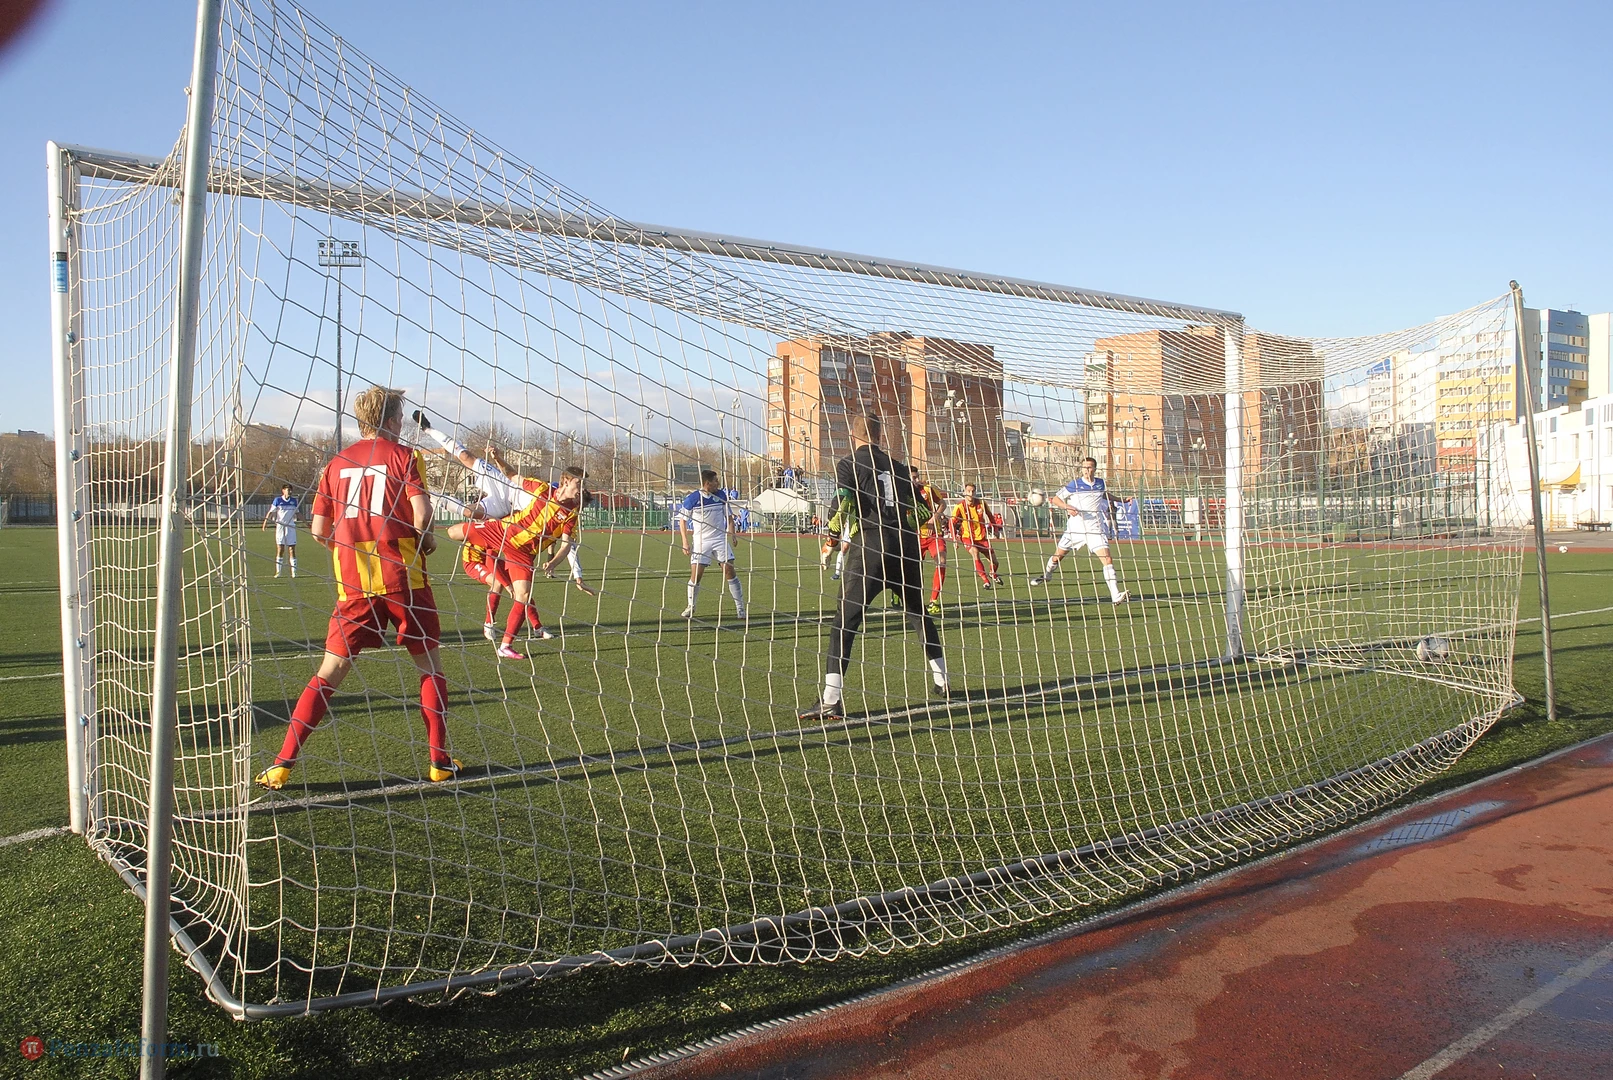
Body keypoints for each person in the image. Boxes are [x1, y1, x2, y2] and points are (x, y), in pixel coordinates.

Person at [254, 386, 459, 790]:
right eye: (399, 419)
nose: (401, 425)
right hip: (404, 580)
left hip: (353, 585)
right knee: (430, 668)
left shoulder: (335, 463)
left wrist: (350, 550)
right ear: (391, 420)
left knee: (329, 672)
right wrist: (426, 541)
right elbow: (422, 513)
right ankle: (439, 762)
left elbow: (318, 530)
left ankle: (281, 765)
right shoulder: (405, 456)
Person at [800, 414, 948, 720]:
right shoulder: (900, 467)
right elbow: (922, 510)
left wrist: (831, 540)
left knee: (844, 622)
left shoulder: (849, 464)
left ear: (853, 435)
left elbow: (842, 504)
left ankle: (830, 699)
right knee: (917, 613)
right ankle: (942, 679)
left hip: (871, 546)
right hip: (906, 547)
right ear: (880, 436)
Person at [447, 465, 588, 659]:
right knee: (453, 532)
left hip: (523, 553)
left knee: (523, 595)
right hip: (504, 532)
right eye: (578, 483)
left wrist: (553, 563)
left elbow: (566, 545)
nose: (581, 489)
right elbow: (513, 476)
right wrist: (498, 459)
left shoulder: (571, 513)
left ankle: (506, 646)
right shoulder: (542, 489)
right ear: (565, 481)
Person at [1030, 456, 1131, 603]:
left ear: (1095, 469)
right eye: (1084, 467)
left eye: (1089, 467)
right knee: (1057, 557)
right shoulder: (1075, 484)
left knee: (1107, 559)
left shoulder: (1100, 483)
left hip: (1095, 529)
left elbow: (1104, 495)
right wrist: (1067, 507)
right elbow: (1056, 499)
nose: (1086, 470)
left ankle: (1115, 595)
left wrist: (1121, 500)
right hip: (1075, 529)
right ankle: (1047, 575)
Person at [676, 469, 746, 620]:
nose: (718, 483)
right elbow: (682, 521)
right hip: (701, 542)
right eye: (716, 481)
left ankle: (740, 608)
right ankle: (691, 606)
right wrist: (685, 542)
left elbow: (729, 517)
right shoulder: (692, 499)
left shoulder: (721, 495)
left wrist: (733, 534)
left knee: (729, 570)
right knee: (696, 576)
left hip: (719, 539)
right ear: (708, 483)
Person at [950, 483, 1004, 589]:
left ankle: (992, 574)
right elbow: (951, 522)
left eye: (973, 491)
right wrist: (954, 538)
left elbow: (990, 516)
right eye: (968, 491)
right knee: (975, 552)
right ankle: (986, 581)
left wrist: (996, 529)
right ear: (964, 492)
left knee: (995, 562)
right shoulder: (960, 506)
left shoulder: (981, 503)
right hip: (967, 537)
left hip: (982, 538)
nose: (971, 493)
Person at [262, 484, 300, 578]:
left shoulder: (294, 501)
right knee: (280, 549)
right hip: (280, 527)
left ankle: (294, 572)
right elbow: (271, 512)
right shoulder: (278, 500)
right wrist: (265, 522)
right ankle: (278, 572)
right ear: (283, 490)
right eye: (288, 490)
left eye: (290, 490)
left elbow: (298, 513)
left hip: (290, 527)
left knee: (292, 549)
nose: (289, 491)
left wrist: (307, 523)